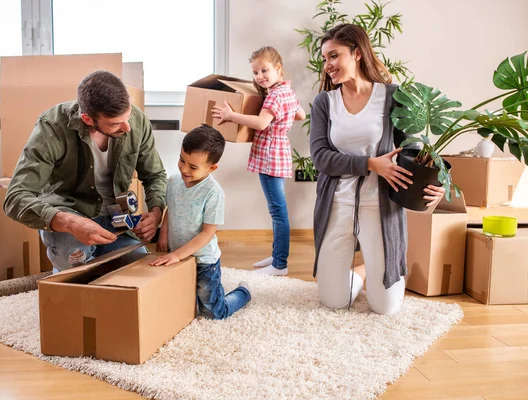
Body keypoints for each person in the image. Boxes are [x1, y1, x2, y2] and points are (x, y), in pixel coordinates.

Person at [310, 24, 445, 315]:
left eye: (334, 56)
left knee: (385, 308)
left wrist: (435, 184)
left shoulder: (393, 96)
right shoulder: (325, 102)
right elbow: (320, 157)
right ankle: (361, 271)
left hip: (379, 206)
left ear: (357, 53)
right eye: (324, 59)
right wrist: (370, 164)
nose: (328, 65)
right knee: (334, 301)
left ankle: (376, 268)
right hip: (337, 204)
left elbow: (412, 149)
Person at [4, 70, 167, 273]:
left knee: (138, 272)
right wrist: (71, 223)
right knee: (77, 267)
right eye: (115, 124)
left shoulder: (137, 121)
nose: (127, 128)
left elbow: (155, 175)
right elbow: (15, 198)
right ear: (88, 119)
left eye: (128, 116)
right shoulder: (53, 127)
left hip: (115, 218)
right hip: (68, 214)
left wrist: (156, 212)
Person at [212, 46, 306, 276]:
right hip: (279, 152)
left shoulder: (274, 95)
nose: (259, 77)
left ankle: (280, 264)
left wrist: (231, 116)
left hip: (270, 156)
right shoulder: (286, 91)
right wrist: (282, 117)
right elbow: (301, 114)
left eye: (264, 70)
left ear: (278, 68)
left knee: (278, 212)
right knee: (277, 210)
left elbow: (262, 123)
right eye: (255, 73)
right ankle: (277, 255)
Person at [149, 125, 251, 319]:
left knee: (213, 313)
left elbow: (207, 233)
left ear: (211, 168)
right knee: (181, 304)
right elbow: (171, 209)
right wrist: (163, 235)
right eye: (181, 160)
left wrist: (177, 255)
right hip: (178, 256)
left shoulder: (213, 193)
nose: (184, 169)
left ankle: (243, 293)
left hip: (205, 262)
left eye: (193, 167)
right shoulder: (173, 181)